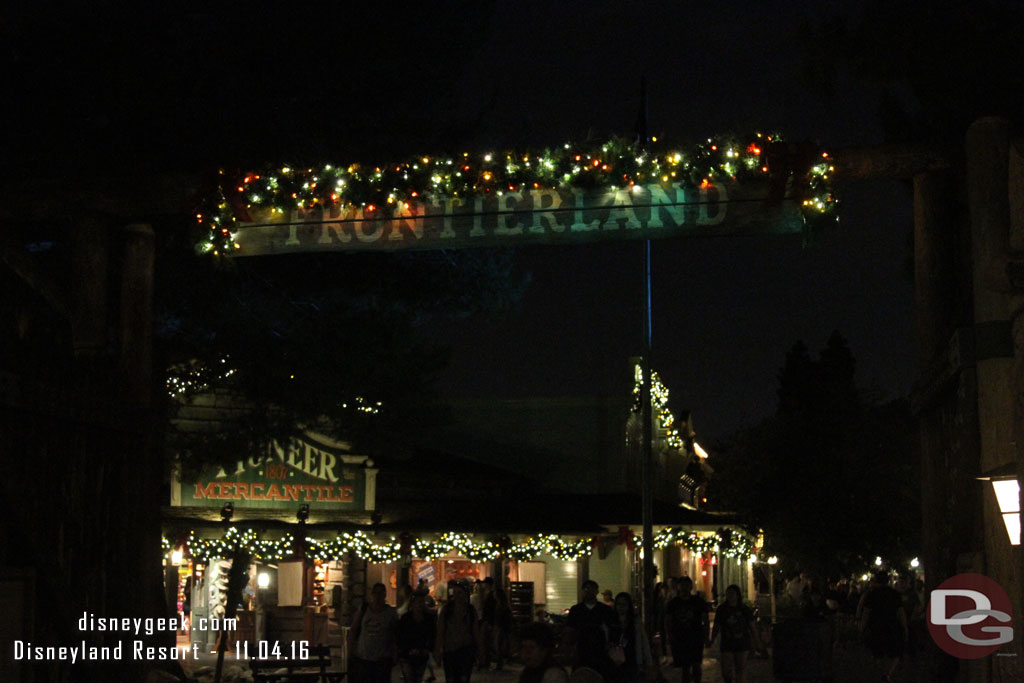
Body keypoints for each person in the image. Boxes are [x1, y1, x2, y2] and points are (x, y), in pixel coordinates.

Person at [856, 571, 906, 683]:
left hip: (876, 626)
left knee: (878, 652)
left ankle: (884, 673)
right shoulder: (894, 594)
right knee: (895, 652)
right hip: (892, 626)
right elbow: (900, 612)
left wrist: (862, 627)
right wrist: (904, 627)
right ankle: (887, 673)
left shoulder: (871, 594)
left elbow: (866, 612)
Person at [707, 585, 760, 683]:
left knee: (740, 669)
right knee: (726, 671)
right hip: (727, 642)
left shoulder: (744, 609)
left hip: (742, 642)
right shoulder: (722, 609)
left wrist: (757, 642)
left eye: (732, 593)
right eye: (728, 593)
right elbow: (716, 626)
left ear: (737, 595)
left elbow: (752, 626)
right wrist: (712, 639)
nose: (730, 596)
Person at [348, 583, 399, 683]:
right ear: (372, 595)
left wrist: (394, 653)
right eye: (376, 593)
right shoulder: (364, 610)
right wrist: (350, 651)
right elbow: (354, 629)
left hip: (382, 658)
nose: (378, 596)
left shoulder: (390, 613)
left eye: (381, 593)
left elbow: (395, 634)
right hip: (364, 657)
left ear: (385, 595)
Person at [435, 581, 484, 683]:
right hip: (450, 650)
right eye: (456, 593)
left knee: (463, 678)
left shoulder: (470, 611)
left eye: (460, 593)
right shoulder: (447, 610)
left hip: (465, 649)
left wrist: (480, 650)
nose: (458, 596)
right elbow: (440, 631)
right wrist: (438, 650)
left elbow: (475, 632)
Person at [665, 577, 709, 683]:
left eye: (687, 585)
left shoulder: (698, 602)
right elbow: (667, 621)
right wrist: (669, 635)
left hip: (696, 637)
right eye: (682, 585)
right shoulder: (673, 603)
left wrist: (706, 636)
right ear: (678, 587)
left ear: (691, 587)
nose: (684, 588)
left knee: (696, 665)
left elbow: (705, 619)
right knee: (685, 667)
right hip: (680, 638)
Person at [566, 580, 617, 671]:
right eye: (586, 589)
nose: (589, 591)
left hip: (601, 652)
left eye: (592, 589)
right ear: (582, 591)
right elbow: (570, 630)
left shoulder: (605, 610)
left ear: (597, 591)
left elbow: (612, 630)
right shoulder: (576, 610)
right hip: (582, 651)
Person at [609, 592, 653, 683]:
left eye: (624, 604)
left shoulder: (635, 620)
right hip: (614, 660)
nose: (621, 607)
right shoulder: (611, 620)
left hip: (632, 659)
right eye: (619, 604)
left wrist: (648, 661)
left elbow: (643, 641)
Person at [398, 590, 437, 683]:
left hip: (421, 653)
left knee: (417, 677)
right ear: (413, 604)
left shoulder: (428, 619)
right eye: (417, 602)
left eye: (422, 602)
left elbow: (432, 635)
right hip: (407, 653)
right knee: (410, 677)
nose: (419, 605)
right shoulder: (406, 618)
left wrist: (428, 649)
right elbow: (400, 635)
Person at [492, 586, 513, 670]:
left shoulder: (500, 607)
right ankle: (500, 662)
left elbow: (501, 618)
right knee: (500, 645)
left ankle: (499, 663)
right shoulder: (504, 606)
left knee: (499, 645)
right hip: (503, 628)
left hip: (501, 628)